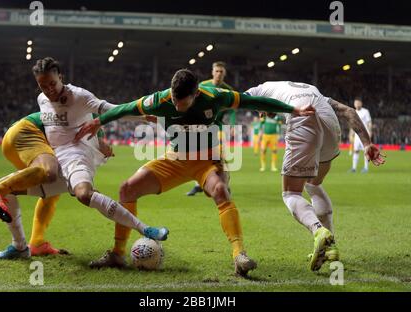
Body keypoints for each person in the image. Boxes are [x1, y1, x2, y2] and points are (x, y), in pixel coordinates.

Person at [75, 69, 315, 276]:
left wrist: (292, 109)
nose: (177, 105)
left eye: (183, 102)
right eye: (174, 100)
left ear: (196, 94)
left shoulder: (215, 96)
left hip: (207, 161)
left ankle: (239, 255)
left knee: (220, 190)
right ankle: (117, 254)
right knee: (127, 188)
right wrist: (98, 122)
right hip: (175, 160)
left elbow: (253, 102)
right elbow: (126, 108)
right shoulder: (160, 99)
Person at [245, 81, 385, 271]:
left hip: (303, 118)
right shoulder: (309, 89)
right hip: (330, 124)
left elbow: (232, 99)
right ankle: (330, 247)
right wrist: (367, 143)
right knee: (313, 184)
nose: (261, 114)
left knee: (290, 194)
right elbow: (349, 111)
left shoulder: (258, 90)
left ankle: (318, 230)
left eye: (259, 111)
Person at [33, 57, 169, 247]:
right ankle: (19, 245)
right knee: (5, 189)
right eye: (43, 86)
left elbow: (111, 110)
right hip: (52, 158)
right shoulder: (41, 99)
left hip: (76, 154)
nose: (49, 90)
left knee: (84, 194)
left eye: (52, 84)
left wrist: (145, 118)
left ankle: (144, 228)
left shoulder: (79, 96)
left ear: (61, 77)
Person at [0, 111, 112, 259]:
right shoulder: (92, 120)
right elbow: (97, 147)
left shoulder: (77, 110)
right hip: (27, 132)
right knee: (48, 172)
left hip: (17, 136)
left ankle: (30, 244)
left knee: (49, 189)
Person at [186, 61, 235, 196]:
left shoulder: (228, 89)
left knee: (221, 157)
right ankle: (198, 185)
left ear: (224, 74)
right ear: (212, 72)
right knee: (198, 156)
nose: (219, 74)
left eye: (221, 71)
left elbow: (233, 110)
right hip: (202, 126)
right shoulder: (202, 86)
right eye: (217, 71)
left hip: (218, 126)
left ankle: (225, 185)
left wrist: (232, 125)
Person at [350, 97, 372, 173]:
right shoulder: (354, 112)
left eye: (358, 103)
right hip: (357, 135)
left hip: (364, 134)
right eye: (355, 103)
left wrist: (370, 132)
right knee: (356, 151)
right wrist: (352, 133)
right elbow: (353, 124)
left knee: (366, 151)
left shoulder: (365, 111)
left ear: (361, 103)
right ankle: (354, 168)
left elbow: (369, 122)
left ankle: (366, 168)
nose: (356, 104)